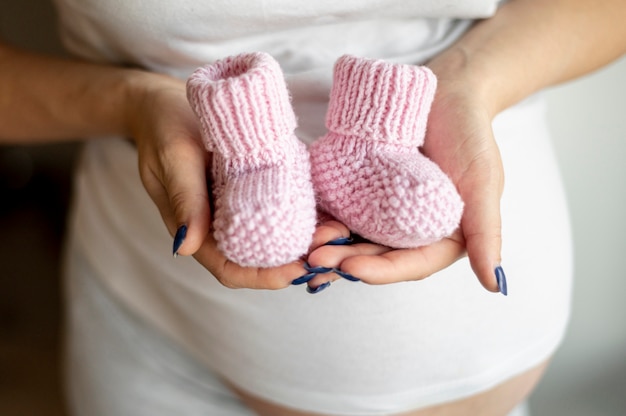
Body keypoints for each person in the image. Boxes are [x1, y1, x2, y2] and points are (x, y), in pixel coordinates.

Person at [1, 0, 624, 415]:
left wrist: (469, 79)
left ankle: (349, 148)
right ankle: (262, 146)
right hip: (158, 341)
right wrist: (134, 104)